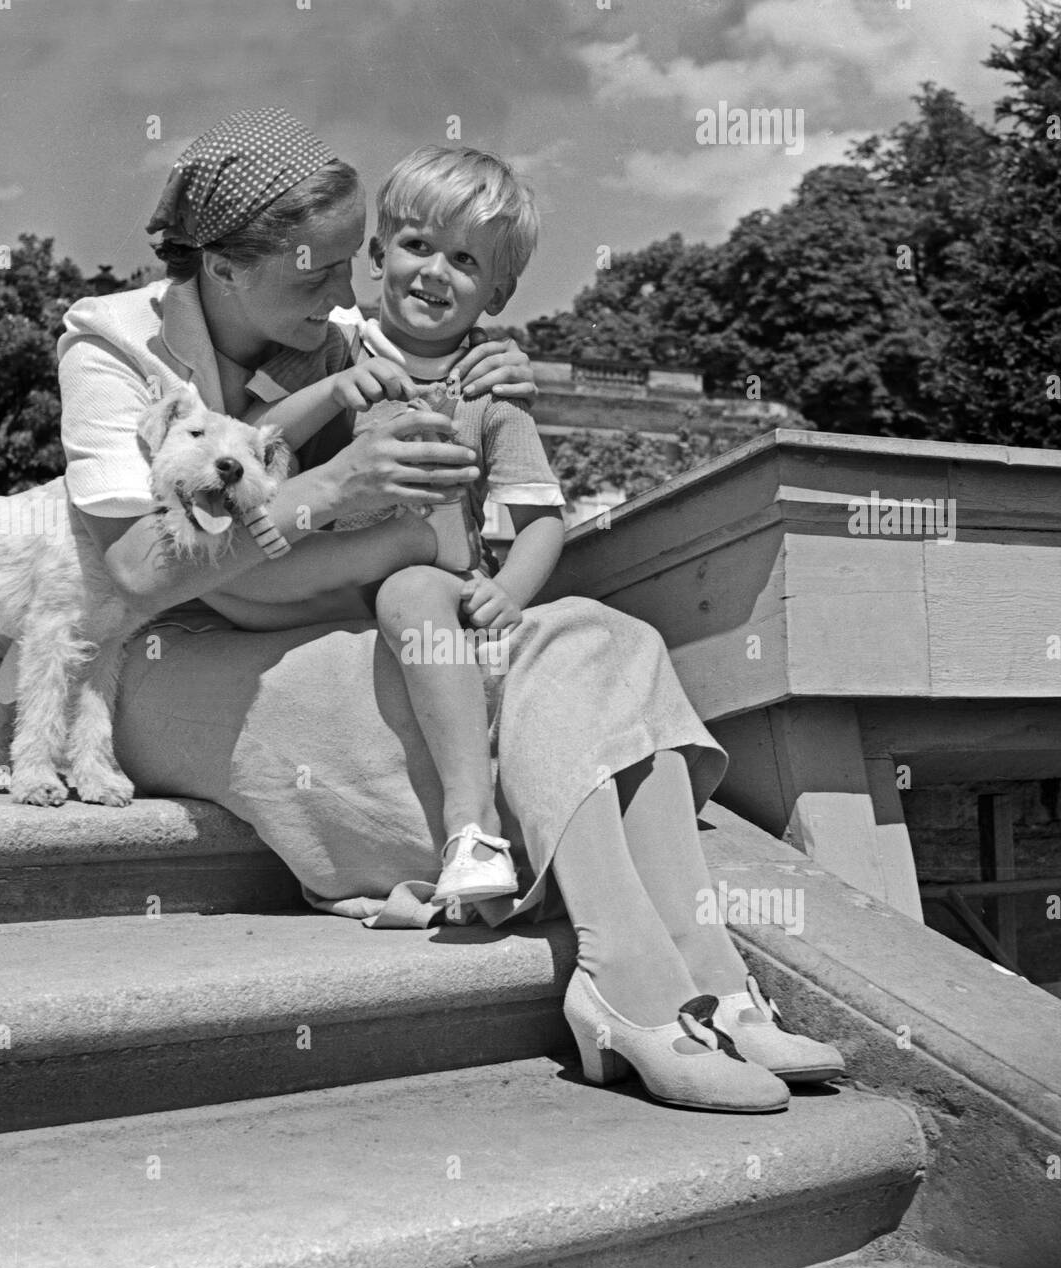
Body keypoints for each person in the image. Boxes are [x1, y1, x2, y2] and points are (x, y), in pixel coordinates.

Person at [58, 107, 844, 1114]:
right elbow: (131, 569)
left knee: (619, 637)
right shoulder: (113, 345)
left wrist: (506, 376)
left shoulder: (337, 336)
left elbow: (450, 382)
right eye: (325, 271)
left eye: (358, 263)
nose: (352, 292)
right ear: (223, 265)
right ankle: (631, 980)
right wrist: (340, 493)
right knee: (550, 663)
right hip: (180, 661)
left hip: (331, 630)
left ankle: (707, 981)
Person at [225, 145, 565, 914]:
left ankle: (470, 826)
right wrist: (329, 393)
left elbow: (541, 516)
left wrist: (511, 588)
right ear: (379, 255)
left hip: (429, 579)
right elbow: (244, 438)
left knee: (414, 589)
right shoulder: (325, 347)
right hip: (325, 568)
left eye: (465, 260)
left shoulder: (490, 388)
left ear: (499, 291)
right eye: (416, 246)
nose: (434, 271)